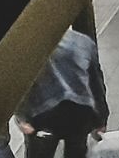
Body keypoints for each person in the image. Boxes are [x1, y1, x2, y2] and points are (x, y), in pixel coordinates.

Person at [14, 26, 109, 158]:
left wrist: (21, 118)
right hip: (80, 112)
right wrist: (101, 119)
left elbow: (18, 85)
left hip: (43, 115)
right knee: (76, 150)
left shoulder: (28, 48)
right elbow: (96, 84)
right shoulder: (83, 41)